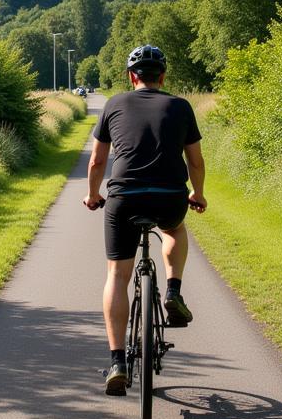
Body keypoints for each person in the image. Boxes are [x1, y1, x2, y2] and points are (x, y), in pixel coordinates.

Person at [83, 45, 207, 395]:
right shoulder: (181, 106)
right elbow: (195, 161)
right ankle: (172, 290)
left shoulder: (114, 104)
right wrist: (196, 193)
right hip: (169, 196)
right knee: (174, 229)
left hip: (124, 198)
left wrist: (94, 195)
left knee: (117, 275)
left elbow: (96, 161)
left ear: (131, 77)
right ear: (163, 77)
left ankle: (118, 362)